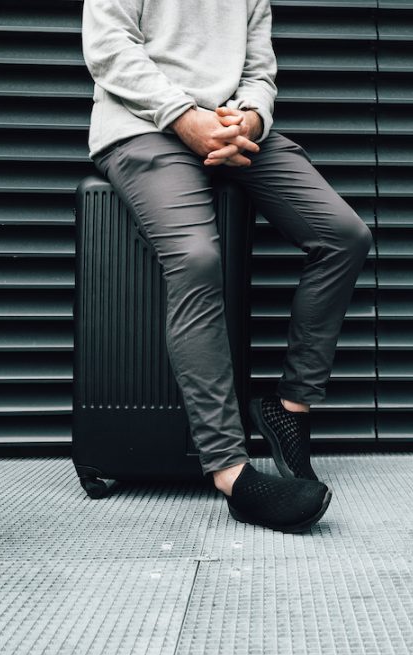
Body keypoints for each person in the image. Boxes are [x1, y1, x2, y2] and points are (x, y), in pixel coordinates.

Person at [81, 0, 372, 533]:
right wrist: (183, 117)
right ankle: (230, 471)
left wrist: (251, 118)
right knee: (196, 259)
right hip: (141, 129)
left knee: (344, 236)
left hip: (231, 131)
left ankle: (291, 408)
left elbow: (259, 72)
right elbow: (108, 49)